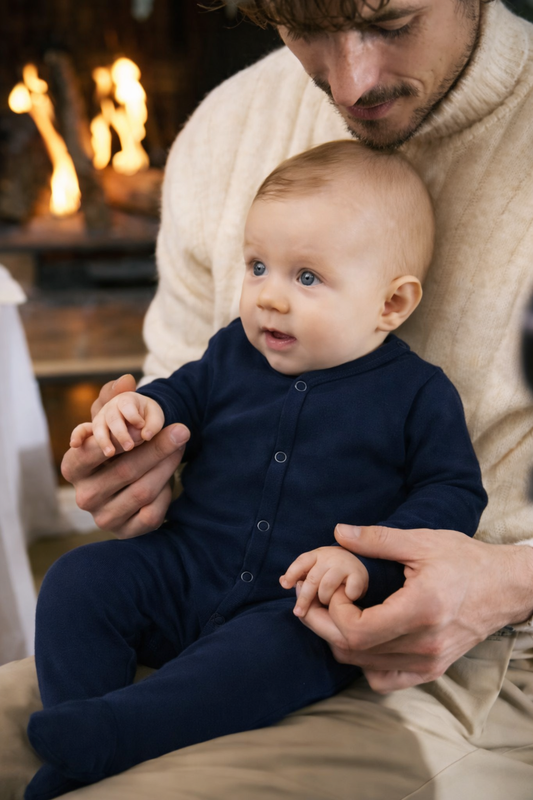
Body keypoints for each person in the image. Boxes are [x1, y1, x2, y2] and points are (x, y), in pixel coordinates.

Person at [1, 1, 533, 798]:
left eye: (389, 21)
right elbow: (178, 387)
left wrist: (374, 560)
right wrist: (138, 426)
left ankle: (115, 736)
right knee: (78, 583)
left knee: (270, 658)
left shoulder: (414, 395)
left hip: (338, 622)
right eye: (256, 268)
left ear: (391, 305)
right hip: (187, 572)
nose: (351, 82)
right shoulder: (233, 306)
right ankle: (95, 729)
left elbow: (449, 491)